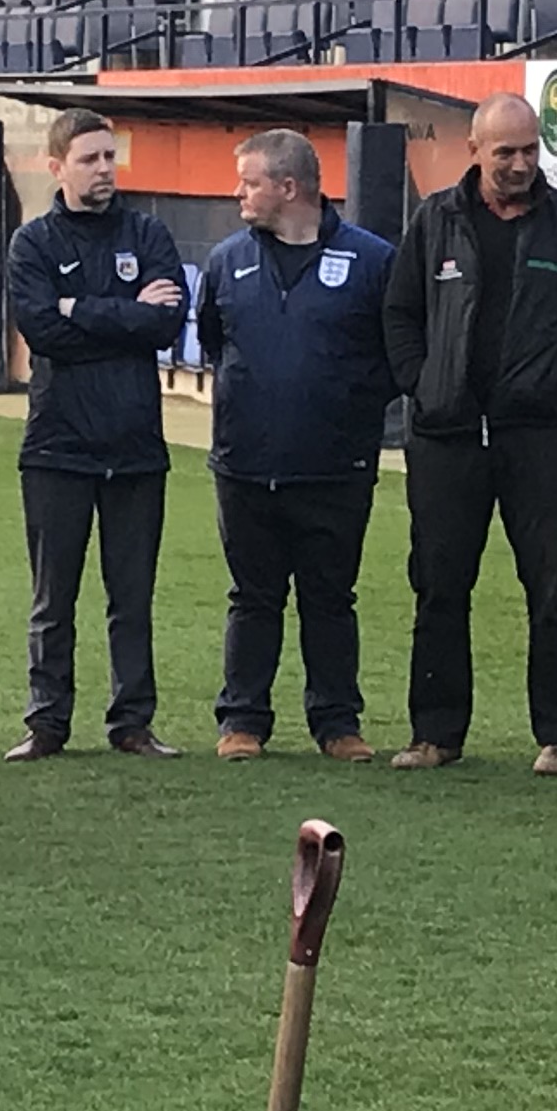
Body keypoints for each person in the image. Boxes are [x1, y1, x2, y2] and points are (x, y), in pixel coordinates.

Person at [382, 89, 557, 775]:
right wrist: (422, 381)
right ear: (475, 151)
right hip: (447, 435)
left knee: (554, 583)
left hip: (539, 436)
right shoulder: (434, 221)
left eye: (529, 150)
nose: (520, 163)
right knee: (438, 584)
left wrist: (556, 374)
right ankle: (435, 734)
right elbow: (398, 313)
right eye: (506, 152)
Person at [195, 127, 398, 763]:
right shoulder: (228, 259)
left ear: (289, 187)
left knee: (330, 599)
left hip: (337, 467)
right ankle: (243, 721)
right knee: (252, 598)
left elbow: (394, 356)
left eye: (249, 183)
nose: (238, 195)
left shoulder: (372, 260)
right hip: (246, 464)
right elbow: (213, 342)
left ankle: (337, 724)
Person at [4, 108, 187, 759]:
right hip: (58, 446)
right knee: (53, 598)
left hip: (136, 446)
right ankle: (46, 723)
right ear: (57, 167)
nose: (105, 169)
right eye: (90, 159)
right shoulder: (34, 244)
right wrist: (126, 316)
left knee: (131, 597)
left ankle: (131, 722)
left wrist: (80, 308)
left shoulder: (147, 233)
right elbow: (41, 330)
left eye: (111, 157)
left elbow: (166, 328)